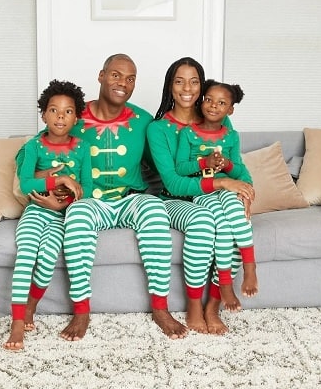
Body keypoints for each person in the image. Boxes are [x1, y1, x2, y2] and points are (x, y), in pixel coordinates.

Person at [59, 53, 188, 341]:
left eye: (130, 78)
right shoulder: (73, 116)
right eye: (116, 75)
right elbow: (46, 148)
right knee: (77, 215)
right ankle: (81, 311)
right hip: (91, 201)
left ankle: (160, 308)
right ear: (101, 75)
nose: (123, 83)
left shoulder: (143, 121)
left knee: (154, 209)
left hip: (130, 198)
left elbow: (164, 166)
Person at [147, 57, 255, 335]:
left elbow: (238, 168)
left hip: (214, 196)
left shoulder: (218, 118)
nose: (187, 88)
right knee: (204, 221)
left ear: (202, 87)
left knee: (230, 220)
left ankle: (213, 306)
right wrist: (220, 182)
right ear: (170, 86)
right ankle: (195, 307)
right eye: (179, 81)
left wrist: (245, 191)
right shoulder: (158, 129)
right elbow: (174, 181)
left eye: (194, 81)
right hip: (174, 199)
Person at [3, 79, 92, 350]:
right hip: (36, 212)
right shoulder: (34, 146)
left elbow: (86, 189)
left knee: (46, 261)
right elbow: (27, 183)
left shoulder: (83, 148)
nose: (60, 116)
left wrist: (62, 205)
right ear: (43, 114)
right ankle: (17, 324)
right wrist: (60, 179)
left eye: (67, 111)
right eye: (53, 110)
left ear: (76, 116)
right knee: (26, 255)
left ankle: (31, 305)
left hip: (62, 216)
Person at [175, 78, 258, 312]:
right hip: (203, 193)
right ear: (201, 103)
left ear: (230, 109)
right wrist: (205, 162)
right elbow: (180, 168)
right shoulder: (189, 134)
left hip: (227, 189)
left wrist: (227, 165)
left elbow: (240, 171)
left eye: (221, 103)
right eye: (209, 100)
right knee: (221, 223)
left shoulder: (231, 136)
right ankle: (225, 283)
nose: (213, 106)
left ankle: (250, 266)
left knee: (235, 210)